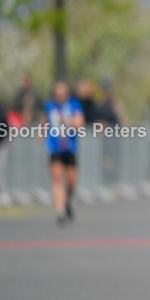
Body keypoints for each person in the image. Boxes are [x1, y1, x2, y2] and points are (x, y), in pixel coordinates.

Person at [44, 81, 85, 226]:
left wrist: (68, 121)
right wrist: (41, 132)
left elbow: (80, 123)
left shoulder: (74, 105)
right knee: (57, 179)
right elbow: (45, 121)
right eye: (57, 94)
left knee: (71, 181)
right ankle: (60, 211)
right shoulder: (49, 106)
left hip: (70, 148)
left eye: (62, 94)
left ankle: (66, 201)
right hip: (54, 148)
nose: (60, 96)